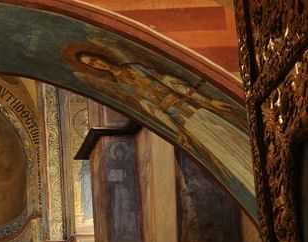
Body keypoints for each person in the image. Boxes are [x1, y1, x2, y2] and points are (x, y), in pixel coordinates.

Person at [70, 49, 253, 193]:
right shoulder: (123, 85)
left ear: (100, 56)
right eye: (92, 64)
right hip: (185, 122)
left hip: (195, 110)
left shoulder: (134, 68)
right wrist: (178, 131)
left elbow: (172, 83)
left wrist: (207, 101)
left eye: (95, 59)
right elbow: (154, 110)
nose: (98, 64)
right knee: (220, 149)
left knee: (230, 135)